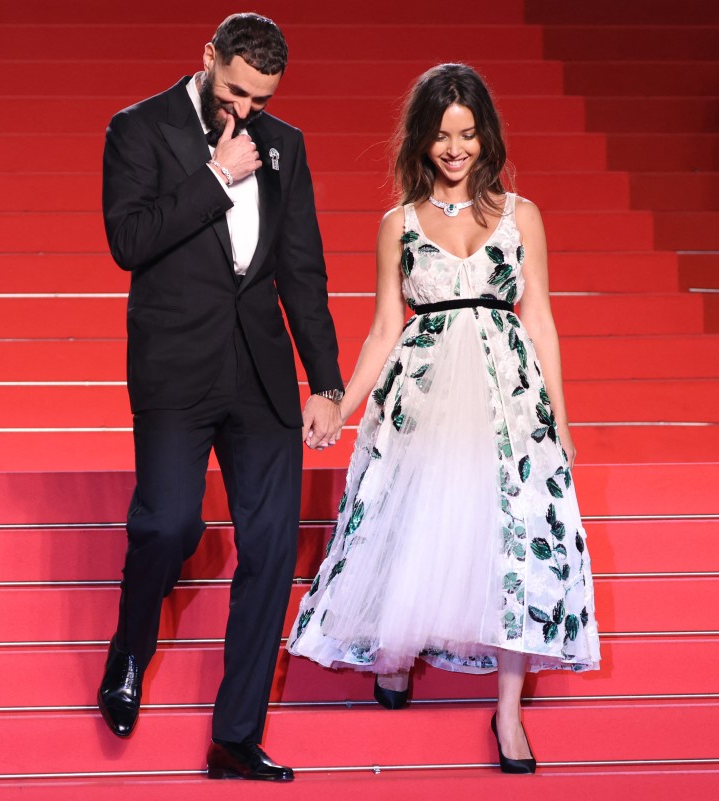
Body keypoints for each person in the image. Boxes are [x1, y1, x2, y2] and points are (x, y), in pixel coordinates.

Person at [288, 63, 601, 775]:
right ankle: (396, 651)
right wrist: (341, 403)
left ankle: (508, 711)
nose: (455, 149)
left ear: (486, 135)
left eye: (467, 134)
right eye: (441, 136)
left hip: (508, 397)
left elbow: (541, 320)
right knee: (414, 518)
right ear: (420, 141)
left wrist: (561, 420)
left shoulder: (521, 215)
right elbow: (383, 329)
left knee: (513, 537)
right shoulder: (397, 225)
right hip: (422, 393)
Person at [97, 13, 344, 782]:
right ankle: (129, 649)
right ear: (208, 58)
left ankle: (237, 735)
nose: (246, 109)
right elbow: (128, 240)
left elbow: (301, 266)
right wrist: (214, 177)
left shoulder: (285, 145)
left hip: (260, 371)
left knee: (270, 547)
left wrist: (326, 381)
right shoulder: (139, 129)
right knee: (167, 523)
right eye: (235, 91)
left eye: (261, 99)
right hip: (176, 366)